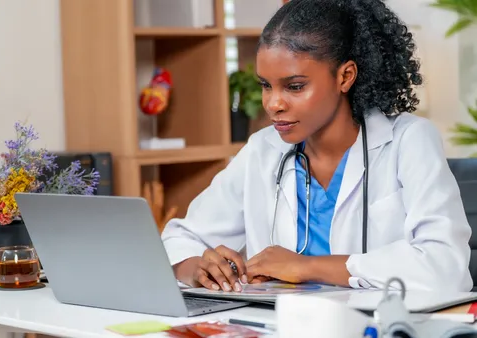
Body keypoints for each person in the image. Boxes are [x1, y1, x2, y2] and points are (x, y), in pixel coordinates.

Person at [160, 0, 473, 293]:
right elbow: (180, 238)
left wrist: (307, 267)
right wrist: (197, 268)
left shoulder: (409, 140)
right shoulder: (262, 150)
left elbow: (446, 267)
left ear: (345, 76)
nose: (273, 104)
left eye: (295, 86)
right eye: (266, 85)